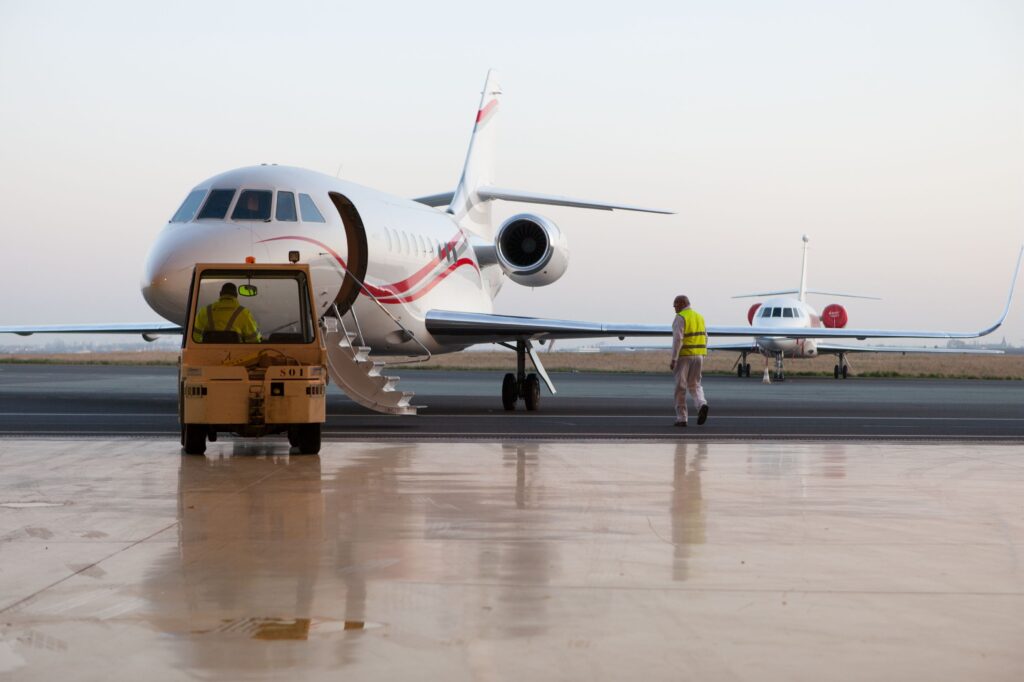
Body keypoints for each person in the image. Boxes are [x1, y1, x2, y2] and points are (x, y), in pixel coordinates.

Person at [670, 294, 709, 427]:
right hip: (698, 355)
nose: (674, 307)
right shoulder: (699, 317)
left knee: (680, 387)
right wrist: (703, 354)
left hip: (684, 356)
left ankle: (682, 418)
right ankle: (702, 404)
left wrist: (674, 358)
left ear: (682, 304)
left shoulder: (680, 317)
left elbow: (678, 339)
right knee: (695, 385)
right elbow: (705, 336)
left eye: (675, 304)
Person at [193, 283, 261, 343]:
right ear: (236, 295)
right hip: (236, 355)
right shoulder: (244, 313)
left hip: (207, 354)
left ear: (220, 294)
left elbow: (195, 337)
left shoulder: (205, 311)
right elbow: (254, 340)